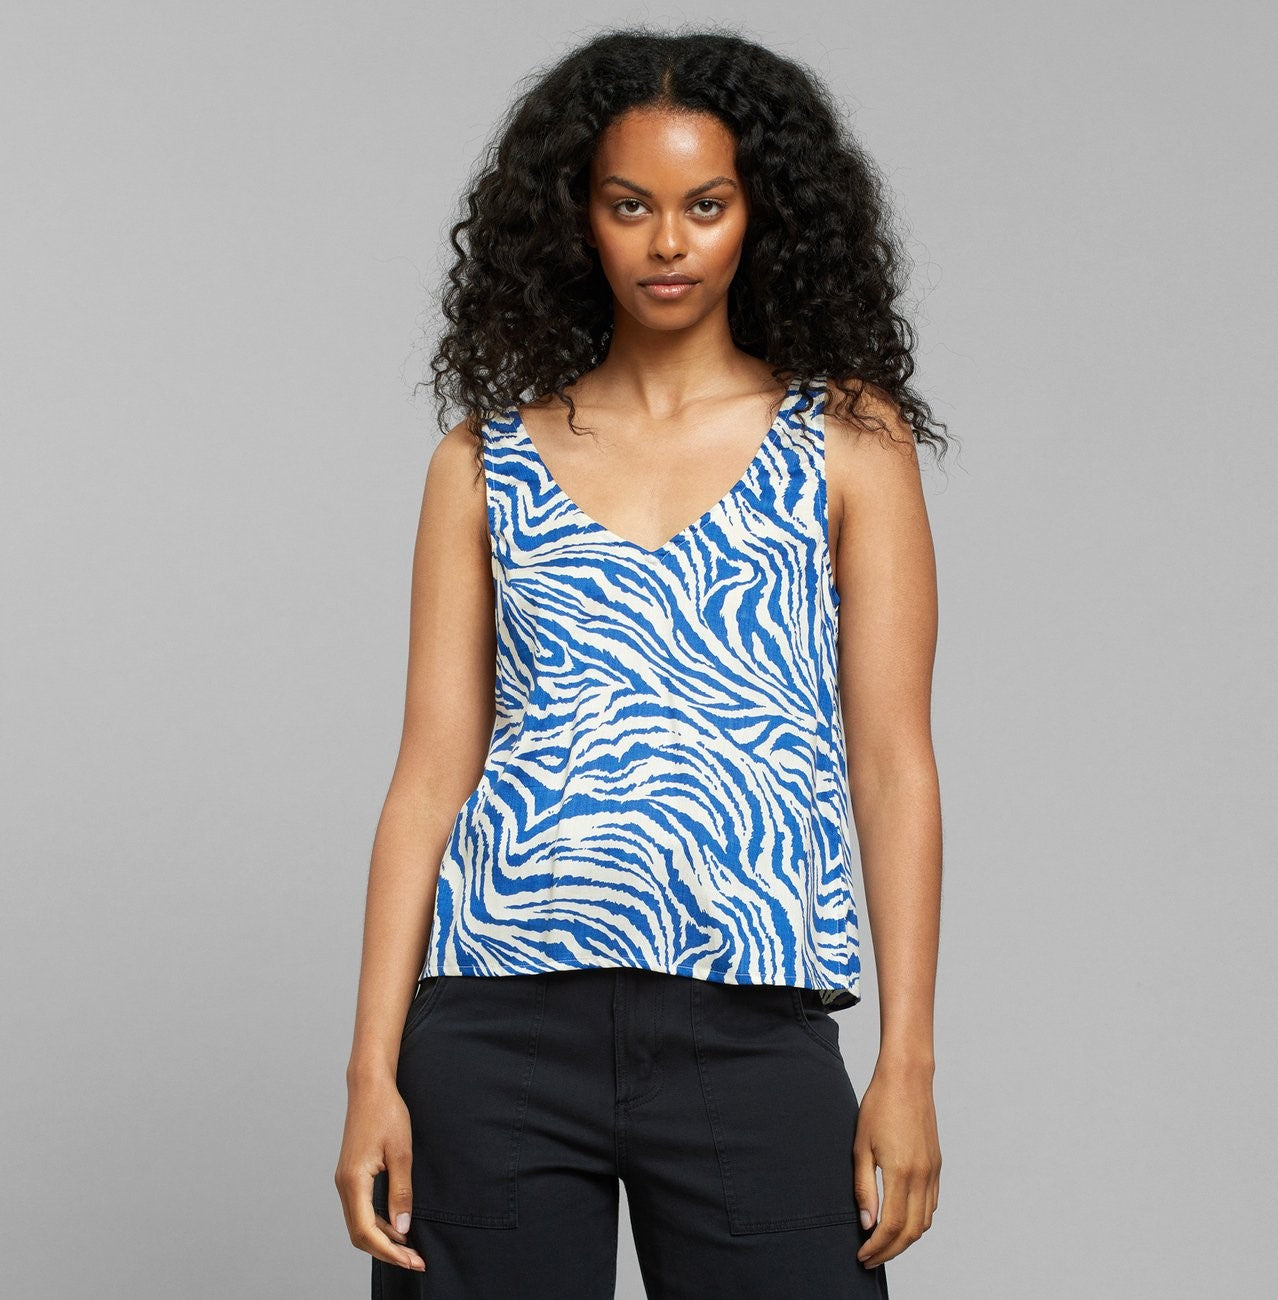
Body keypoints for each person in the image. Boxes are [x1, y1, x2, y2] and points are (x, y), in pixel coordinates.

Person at [335, 26, 947, 1299]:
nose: (669, 242)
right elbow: (428, 777)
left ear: (760, 215)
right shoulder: (482, 462)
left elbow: (892, 765)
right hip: (495, 1023)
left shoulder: (848, 443)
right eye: (631, 206)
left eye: (704, 205)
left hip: (749, 1021)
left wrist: (907, 1061)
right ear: (578, 218)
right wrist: (369, 1073)